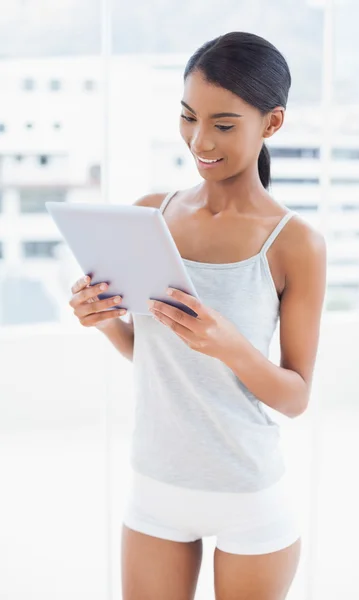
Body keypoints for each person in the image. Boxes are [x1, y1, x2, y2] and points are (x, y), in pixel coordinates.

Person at [69, 31, 327, 600]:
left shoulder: (294, 243)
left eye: (224, 124)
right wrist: (103, 318)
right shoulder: (148, 214)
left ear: (273, 123)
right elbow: (151, 353)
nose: (200, 140)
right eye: (189, 117)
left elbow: (296, 396)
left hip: (248, 496)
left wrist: (227, 343)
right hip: (155, 488)